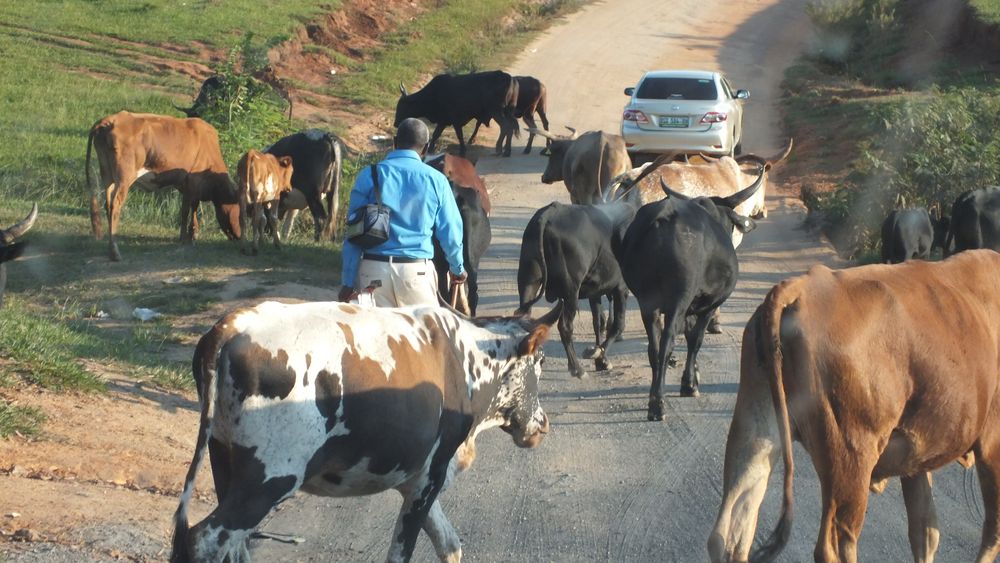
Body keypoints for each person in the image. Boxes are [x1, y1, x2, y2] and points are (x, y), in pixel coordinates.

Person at [338, 118, 466, 306]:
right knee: (422, 335)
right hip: (416, 274)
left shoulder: (369, 175)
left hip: (372, 272)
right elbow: (451, 233)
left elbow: (354, 234)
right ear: (426, 147)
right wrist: (457, 268)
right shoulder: (437, 180)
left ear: (395, 142)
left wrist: (348, 281)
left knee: (376, 335)